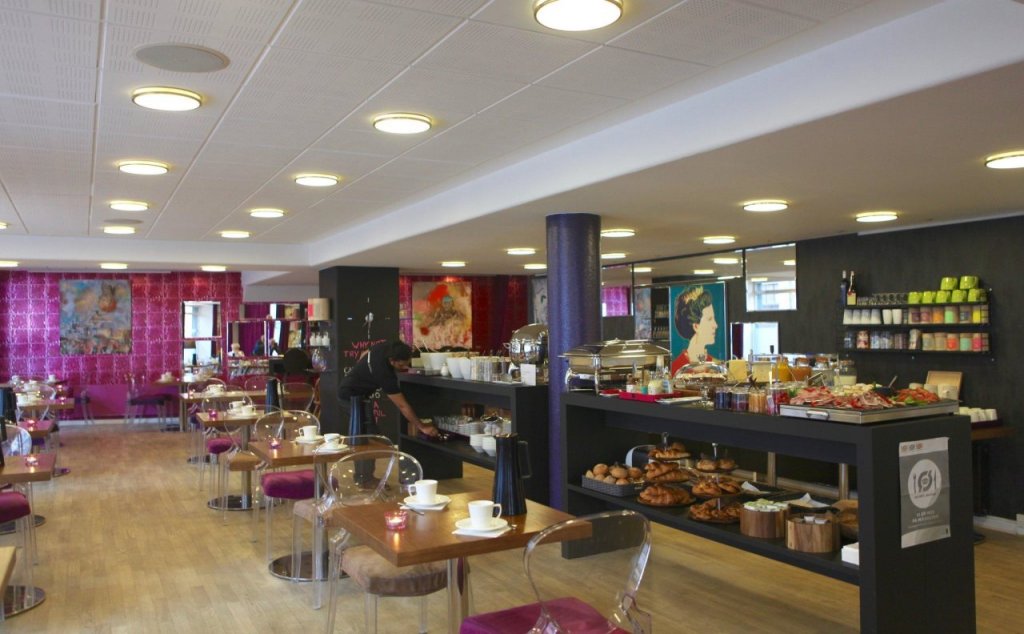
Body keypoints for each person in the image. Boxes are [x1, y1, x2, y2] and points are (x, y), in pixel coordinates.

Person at [337, 341, 437, 437]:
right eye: (401, 365)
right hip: (349, 395)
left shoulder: (388, 347)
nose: (405, 367)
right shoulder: (385, 375)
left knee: (369, 430)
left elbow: (365, 352)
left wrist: (362, 369)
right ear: (392, 361)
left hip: (358, 392)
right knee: (367, 431)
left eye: (407, 363)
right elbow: (402, 406)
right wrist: (422, 427)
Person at [670, 285, 719, 375]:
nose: (715, 325)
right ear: (696, 326)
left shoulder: (715, 366)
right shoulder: (677, 369)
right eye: (709, 319)